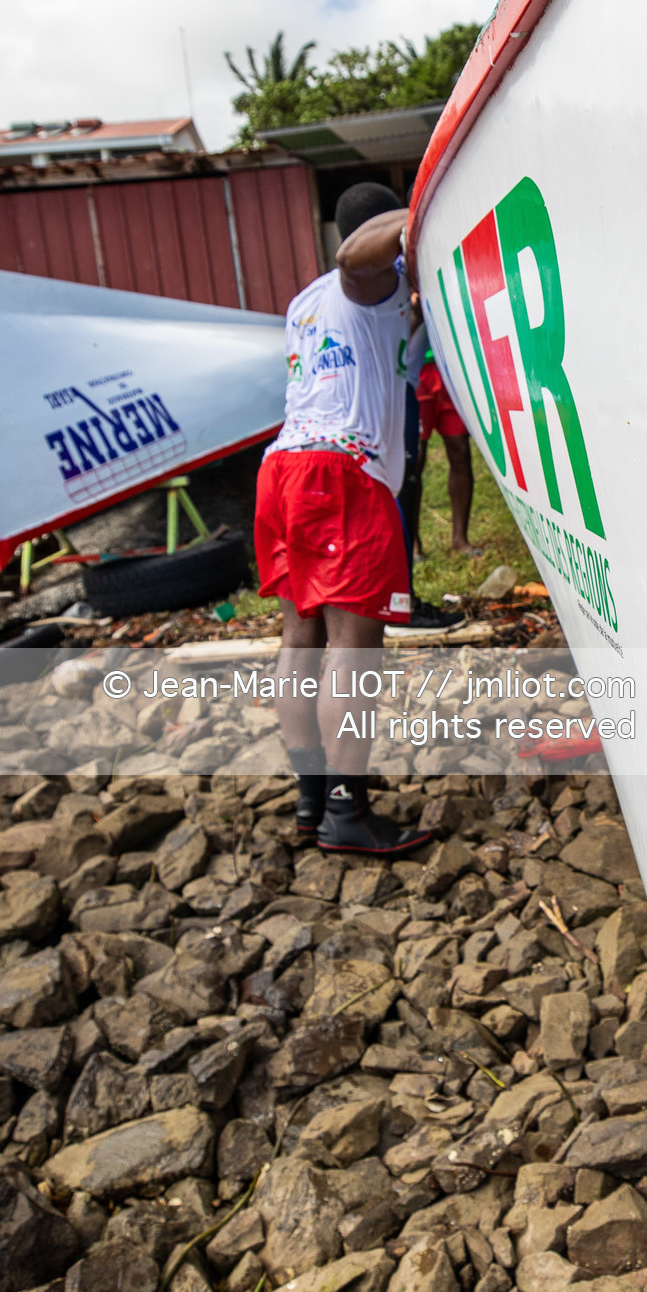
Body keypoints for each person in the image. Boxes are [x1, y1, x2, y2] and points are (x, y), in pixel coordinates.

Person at [253, 180, 437, 858]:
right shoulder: (366, 279)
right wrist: (424, 213)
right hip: (341, 475)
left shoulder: (308, 303)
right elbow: (356, 259)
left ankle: (313, 798)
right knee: (353, 648)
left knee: (300, 639)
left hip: (284, 470)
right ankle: (346, 812)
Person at [415, 347, 481, 557]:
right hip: (417, 368)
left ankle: (460, 539)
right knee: (415, 459)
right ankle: (413, 542)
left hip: (451, 365)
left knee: (460, 451)